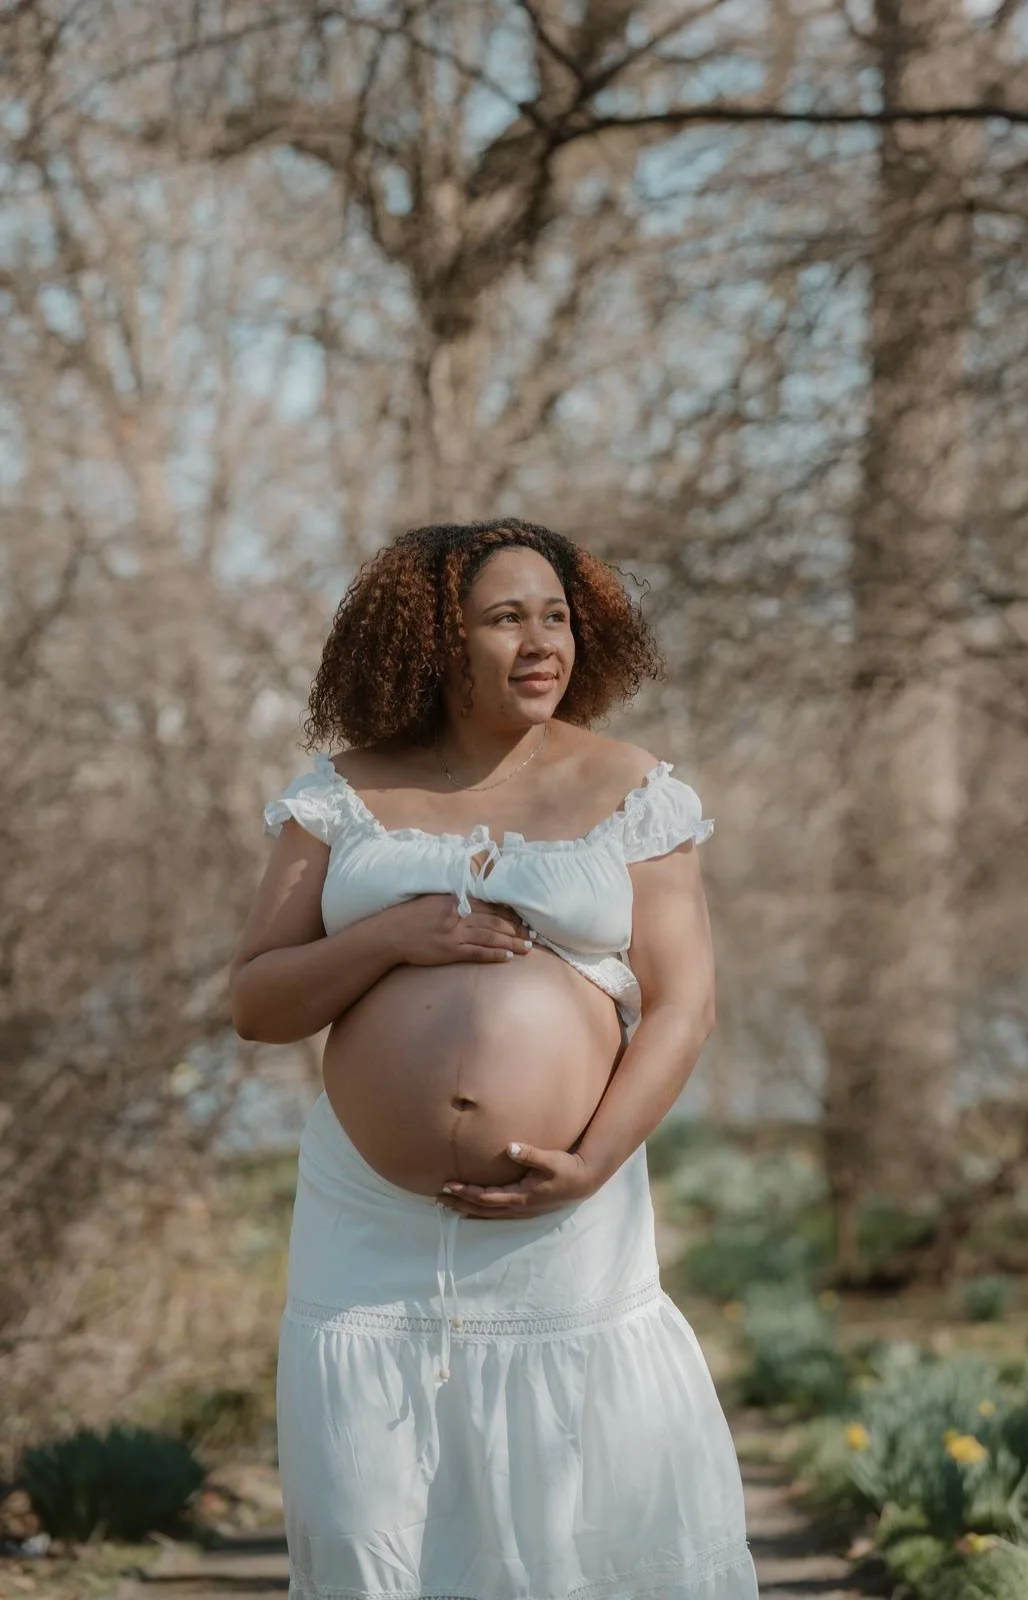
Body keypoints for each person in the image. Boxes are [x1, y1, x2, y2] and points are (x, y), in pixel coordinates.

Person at [230, 519, 758, 1600]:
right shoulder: (341, 796)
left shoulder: (634, 789)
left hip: (563, 1219)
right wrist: (389, 937)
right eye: (506, 618)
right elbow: (257, 1001)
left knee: (563, 1523)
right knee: (368, 1511)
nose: (541, 642)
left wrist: (591, 1164)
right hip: (369, 1229)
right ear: (436, 639)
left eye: (556, 616)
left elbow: (683, 1007)